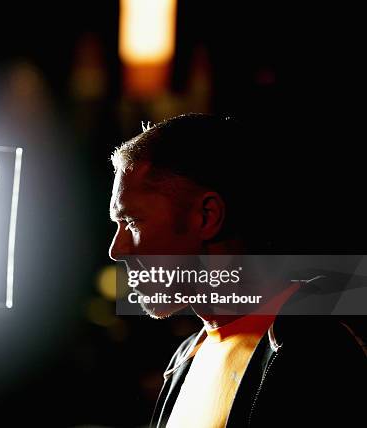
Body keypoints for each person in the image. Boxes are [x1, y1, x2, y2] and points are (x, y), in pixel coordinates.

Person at [108, 113, 366, 427]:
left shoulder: (318, 354)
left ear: (206, 216)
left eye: (132, 222)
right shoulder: (185, 359)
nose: (117, 249)